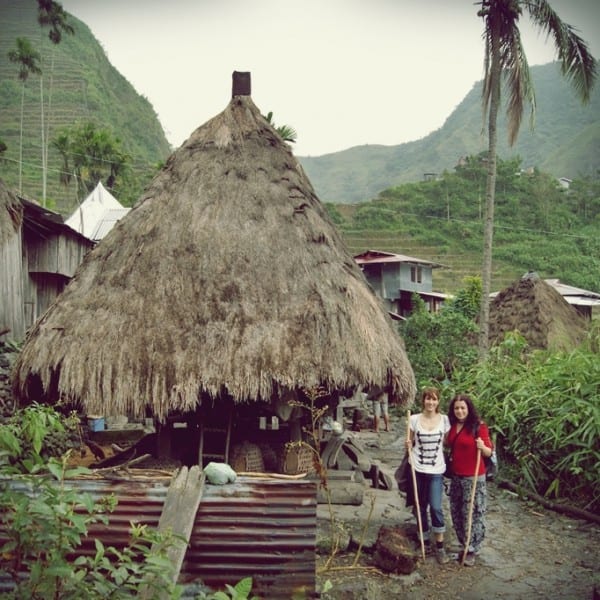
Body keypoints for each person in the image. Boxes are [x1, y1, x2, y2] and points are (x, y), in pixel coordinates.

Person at [446, 393, 493, 567]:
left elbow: (489, 452)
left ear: (469, 409)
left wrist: (483, 447)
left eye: (462, 408)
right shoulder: (452, 426)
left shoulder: (479, 426)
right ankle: (463, 543)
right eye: (456, 408)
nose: (459, 411)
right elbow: (447, 443)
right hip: (456, 476)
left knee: (472, 513)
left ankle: (472, 548)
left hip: (474, 477)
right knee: (457, 511)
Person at [406, 387, 451, 564]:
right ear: (423, 400)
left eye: (434, 399)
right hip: (417, 467)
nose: (430, 402)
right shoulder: (414, 419)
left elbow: (448, 442)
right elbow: (409, 444)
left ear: (438, 401)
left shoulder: (445, 420)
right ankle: (423, 540)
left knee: (436, 507)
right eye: (427, 399)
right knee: (420, 506)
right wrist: (408, 444)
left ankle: (439, 546)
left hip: (436, 469)